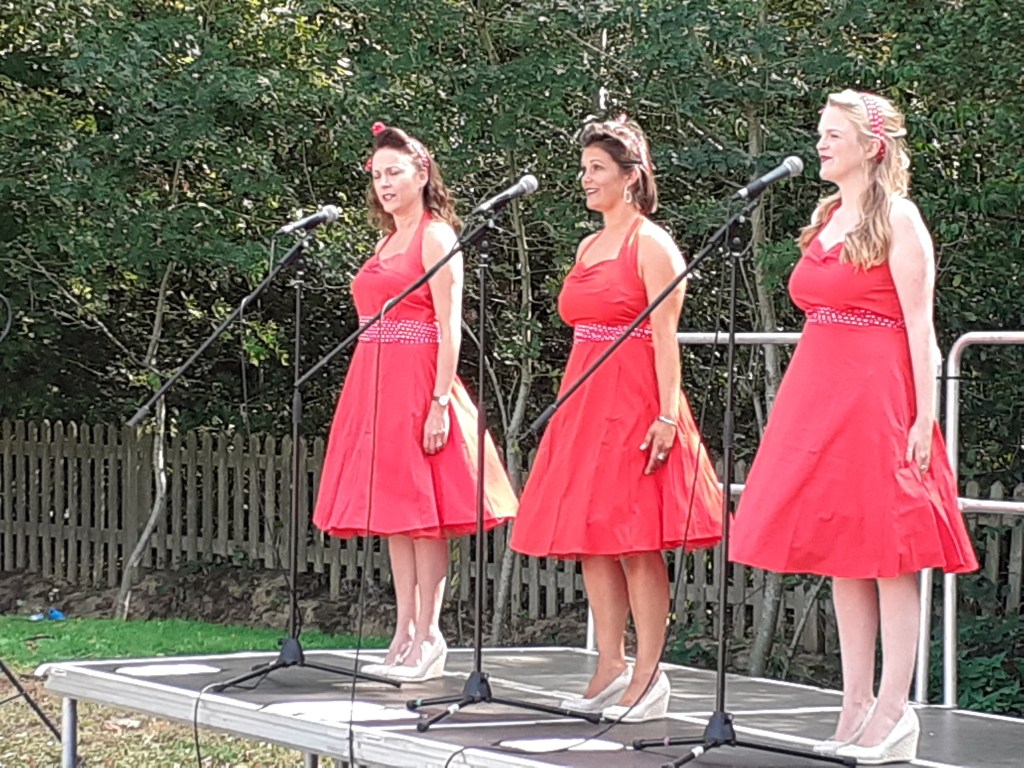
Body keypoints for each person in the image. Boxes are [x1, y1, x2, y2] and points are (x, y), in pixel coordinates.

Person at [729, 90, 978, 764]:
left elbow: (921, 326)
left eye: (833, 134)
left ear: (871, 147)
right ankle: (855, 703)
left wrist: (925, 416)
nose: (820, 143)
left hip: (877, 398)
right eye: (820, 132)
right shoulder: (828, 216)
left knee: (888, 552)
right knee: (842, 551)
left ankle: (896, 710)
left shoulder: (899, 218)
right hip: (819, 395)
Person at [510, 116, 724, 722]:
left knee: (635, 539)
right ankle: (610, 662)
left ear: (630, 177)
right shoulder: (587, 246)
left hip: (634, 400)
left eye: (597, 168)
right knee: (594, 538)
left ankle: (650, 673)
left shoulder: (652, 245)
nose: (585, 178)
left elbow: (665, 338)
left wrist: (666, 415)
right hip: (585, 397)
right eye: (584, 168)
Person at [313, 122, 517, 682]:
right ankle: (403, 628)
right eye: (377, 175)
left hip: (418, 381)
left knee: (426, 517)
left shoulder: (436, 236)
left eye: (394, 172)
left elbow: (450, 326)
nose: (384, 184)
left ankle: (429, 632)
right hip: (374, 383)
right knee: (397, 517)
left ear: (422, 174)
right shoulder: (385, 241)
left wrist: (439, 402)